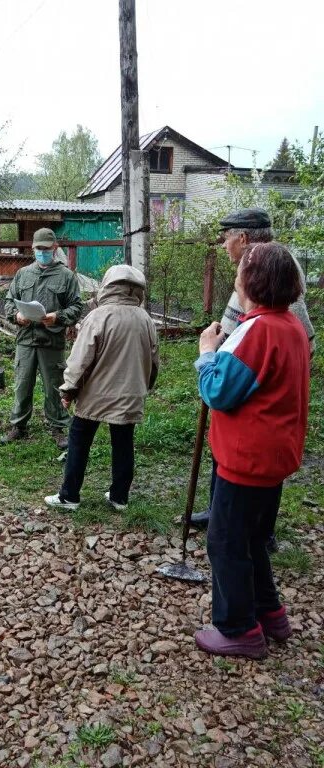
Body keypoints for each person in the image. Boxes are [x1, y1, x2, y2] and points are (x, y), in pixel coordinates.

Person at [194, 242, 309, 658]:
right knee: (253, 539)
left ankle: (239, 629)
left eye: (241, 271)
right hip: (272, 458)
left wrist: (207, 353)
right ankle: (270, 612)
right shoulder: (289, 324)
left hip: (246, 460)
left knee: (225, 543)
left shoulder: (259, 332)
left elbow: (218, 392)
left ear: (251, 281)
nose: (236, 277)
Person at [191, 207, 315, 541]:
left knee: (257, 460)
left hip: (255, 386)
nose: (223, 245)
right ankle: (220, 510)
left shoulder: (272, 272)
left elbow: (291, 333)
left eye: (226, 237)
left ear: (243, 238)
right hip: (236, 373)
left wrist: (210, 358)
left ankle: (260, 529)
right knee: (230, 452)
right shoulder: (252, 269)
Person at [44, 265, 158, 511]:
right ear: (137, 289)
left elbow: (79, 360)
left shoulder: (98, 316)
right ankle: (119, 498)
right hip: (130, 393)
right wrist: (145, 385)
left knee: (79, 440)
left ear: (107, 286)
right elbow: (153, 359)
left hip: (95, 394)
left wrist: (68, 390)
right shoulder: (145, 318)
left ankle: (70, 496)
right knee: (123, 443)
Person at [1, 228, 83, 449]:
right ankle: (18, 425)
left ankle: (58, 428)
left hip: (51, 340)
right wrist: (17, 315)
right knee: (22, 384)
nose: (42, 252)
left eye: (46, 249)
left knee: (55, 385)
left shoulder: (66, 276)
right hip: (26, 339)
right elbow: (9, 301)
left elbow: (76, 307)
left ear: (54, 249)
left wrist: (57, 317)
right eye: (39, 249)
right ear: (33, 248)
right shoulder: (23, 274)